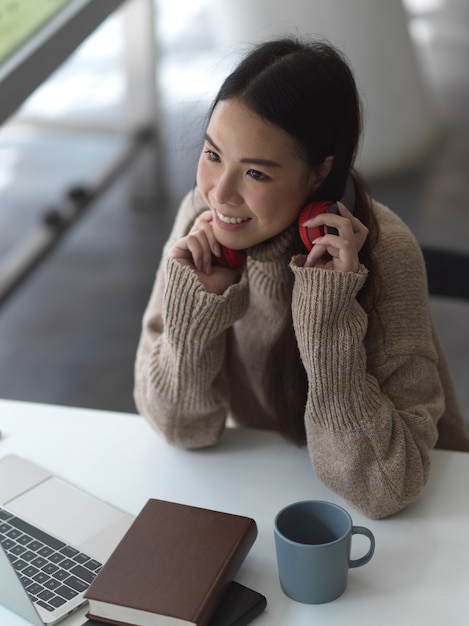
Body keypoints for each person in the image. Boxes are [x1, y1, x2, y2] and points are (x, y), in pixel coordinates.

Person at [134, 36, 469, 519]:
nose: (220, 194)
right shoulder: (199, 220)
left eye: (256, 174)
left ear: (318, 175)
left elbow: (388, 487)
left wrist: (326, 317)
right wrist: (197, 315)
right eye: (212, 155)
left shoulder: (386, 251)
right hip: (260, 488)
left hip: (424, 522)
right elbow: (179, 427)